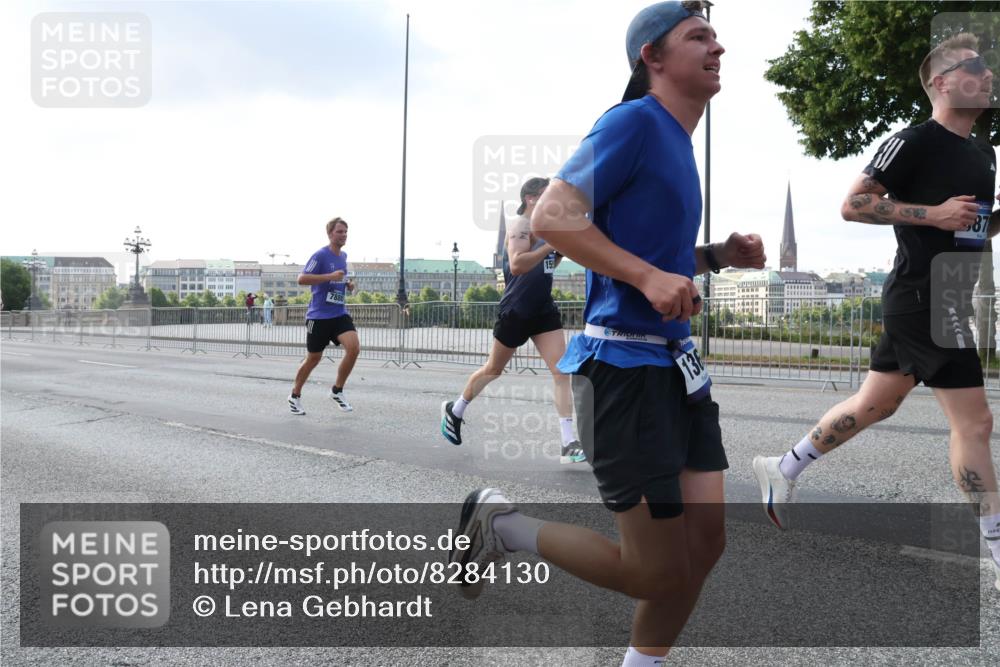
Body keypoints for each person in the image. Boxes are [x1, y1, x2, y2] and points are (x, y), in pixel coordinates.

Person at [447, 3, 766, 664]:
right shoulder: (636, 122)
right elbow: (556, 214)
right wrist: (651, 277)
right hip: (624, 371)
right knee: (655, 572)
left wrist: (715, 256)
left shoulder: (676, 140)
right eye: (698, 36)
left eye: (715, 35)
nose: (718, 47)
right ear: (652, 56)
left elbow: (653, 257)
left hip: (678, 367)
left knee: (705, 544)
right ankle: (502, 525)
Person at [751, 32, 1000, 591]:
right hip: (925, 296)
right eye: (975, 66)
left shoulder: (983, 152)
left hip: (950, 291)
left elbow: (973, 224)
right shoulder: (914, 140)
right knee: (976, 423)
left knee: (876, 403)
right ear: (940, 82)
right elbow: (855, 203)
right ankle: (997, 544)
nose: (988, 76)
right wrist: (933, 213)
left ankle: (782, 467)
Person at [440, 177, 585, 465]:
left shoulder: (546, 229)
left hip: (543, 309)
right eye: (547, 195)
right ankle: (455, 410)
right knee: (494, 369)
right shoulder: (520, 225)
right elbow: (518, 264)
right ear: (531, 198)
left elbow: (546, 264)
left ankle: (568, 441)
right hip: (517, 310)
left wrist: (559, 250)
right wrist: (550, 245)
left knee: (561, 371)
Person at [287, 217, 359, 415]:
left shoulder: (343, 256)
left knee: (353, 348)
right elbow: (301, 279)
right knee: (313, 358)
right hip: (318, 317)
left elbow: (338, 279)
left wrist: (346, 284)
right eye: (339, 232)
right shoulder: (320, 255)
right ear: (330, 234)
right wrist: (329, 277)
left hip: (338, 313)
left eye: (346, 232)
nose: (343, 235)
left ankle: (337, 390)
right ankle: (295, 395)